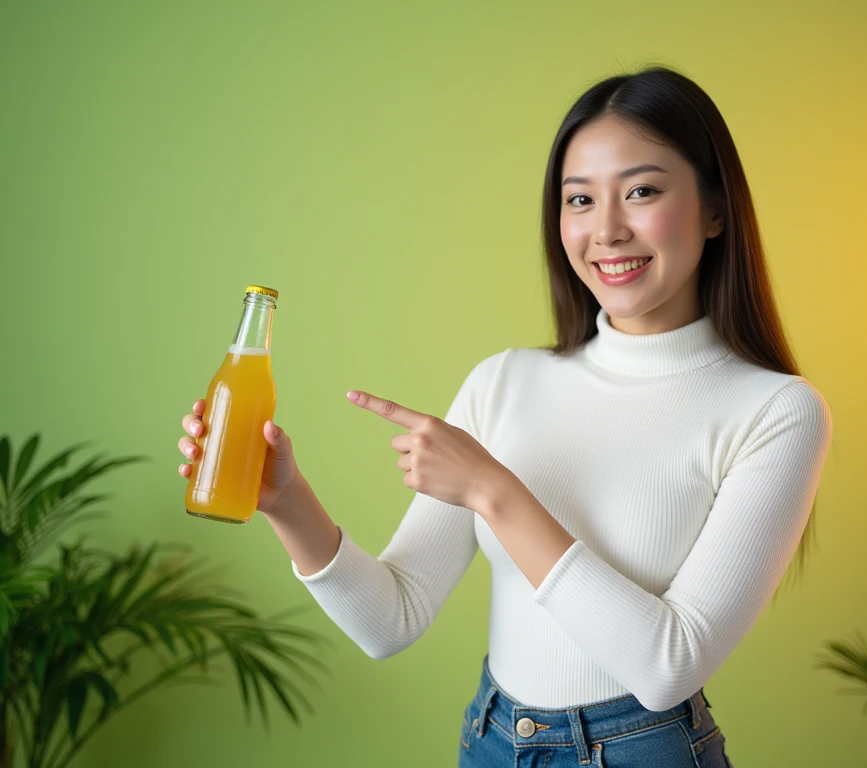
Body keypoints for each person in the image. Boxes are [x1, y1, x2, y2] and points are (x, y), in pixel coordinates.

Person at [177, 65, 833, 767]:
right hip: (493, 741)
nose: (606, 229)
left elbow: (669, 665)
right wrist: (286, 501)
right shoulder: (505, 381)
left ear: (714, 208)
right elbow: (391, 619)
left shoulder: (775, 411)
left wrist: (493, 490)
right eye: (579, 200)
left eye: (641, 191)